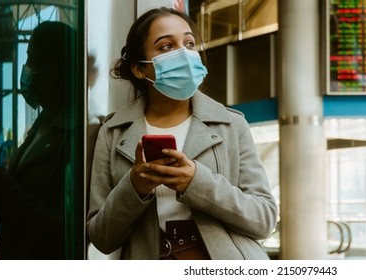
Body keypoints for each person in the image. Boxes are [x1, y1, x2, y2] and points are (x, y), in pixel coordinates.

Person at [86, 7, 277, 260]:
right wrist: (134, 187)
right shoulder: (112, 132)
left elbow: (263, 219)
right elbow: (101, 237)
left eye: (189, 43)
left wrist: (196, 182)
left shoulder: (231, 124)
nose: (184, 54)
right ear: (139, 69)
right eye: (166, 47)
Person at [0, 21, 76, 259]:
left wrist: (3, 188)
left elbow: (64, 227)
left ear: (53, 73)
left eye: (32, 59)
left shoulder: (73, 135)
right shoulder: (42, 125)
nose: (26, 69)